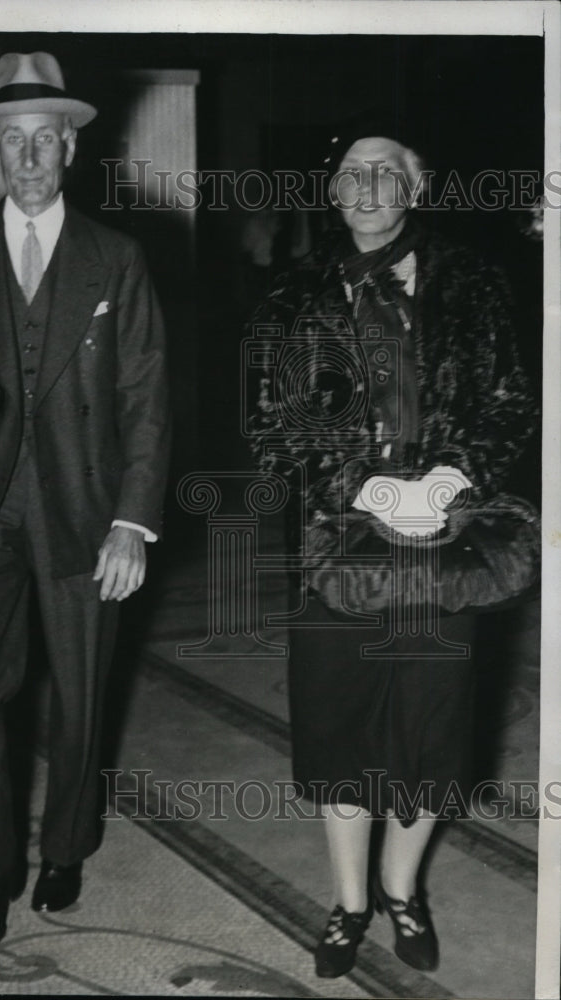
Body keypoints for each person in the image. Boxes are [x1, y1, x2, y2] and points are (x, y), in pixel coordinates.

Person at [249, 134, 536, 978]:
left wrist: (451, 477)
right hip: (336, 540)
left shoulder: (475, 282)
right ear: (333, 192)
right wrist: (368, 487)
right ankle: (348, 901)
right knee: (339, 726)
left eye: (387, 172)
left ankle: (402, 888)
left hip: (448, 541)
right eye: (351, 174)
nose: (367, 187)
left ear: (418, 186)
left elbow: (513, 403)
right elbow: (272, 425)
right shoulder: (292, 295)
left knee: (429, 729)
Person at [0, 51, 170, 957]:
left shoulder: (118, 256)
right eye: (11, 142)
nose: (26, 159)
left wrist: (134, 520)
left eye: (42, 142)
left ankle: (67, 848)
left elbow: (145, 393)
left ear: (69, 150)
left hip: (87, 514)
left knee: (80, 698)